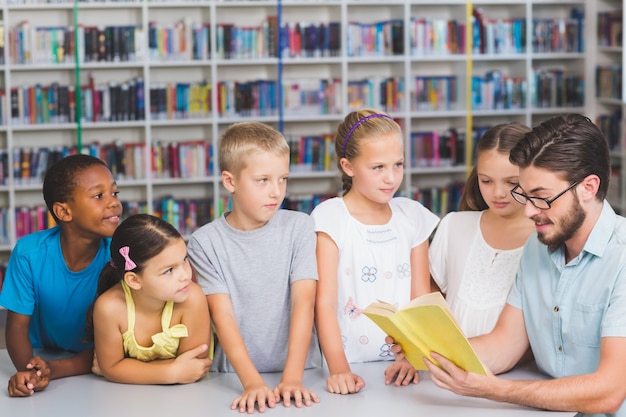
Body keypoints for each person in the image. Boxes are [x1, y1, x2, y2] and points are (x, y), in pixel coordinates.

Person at [391, 114, 626, 416]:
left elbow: (609, 392)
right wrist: (425, 350)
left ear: (589, 187)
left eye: (541, 198)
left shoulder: (621, 259)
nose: (528, 211)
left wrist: (496, 390)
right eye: (524, 195)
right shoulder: (537, 248)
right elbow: (503, 344)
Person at [187, 121, 321, 413]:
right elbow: (221, 316)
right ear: (230, 181)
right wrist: (251, 383)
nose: (276, 191)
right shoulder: (203, 242)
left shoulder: (300, 226)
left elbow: (304, 302)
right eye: (263, 180)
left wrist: (292, 378)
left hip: (303, 374)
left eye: (283, 179)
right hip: (234, 377)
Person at [310, 108, 439, 395]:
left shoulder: (412, 216)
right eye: (378, 167)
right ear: (348, 166)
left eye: (398, 164)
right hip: (345, 363)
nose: (391, 178)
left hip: (402, 369)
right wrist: (339, 369)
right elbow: (325, 305)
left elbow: (420, 298)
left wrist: (410, 357)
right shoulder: (331, 217)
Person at [0, 154, 122, 397]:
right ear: (64, 212)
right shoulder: (29, 254)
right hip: (41, 353)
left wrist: (53, 369)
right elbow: (16, 328)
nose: (114, 203)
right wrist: (30, 372)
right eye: (99, 196)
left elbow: (119, 343)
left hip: (100, 364)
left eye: (114, 193)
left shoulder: (120, 254)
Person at [429, 122, 535, 338]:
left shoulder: (546, 237)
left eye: (512, 183)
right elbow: (430, 293)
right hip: (448, 361)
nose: (498, 193)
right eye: (486, 181)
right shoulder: (454, 225)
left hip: (520, 369)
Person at [89, 213, 213, 384]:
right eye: (169, 270)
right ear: (134, 280)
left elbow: (195, 366)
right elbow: (112, 368)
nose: (185, 275)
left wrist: (127, 369)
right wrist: (172, 373)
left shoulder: (192, 298)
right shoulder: (109, 307)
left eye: (184, 260)